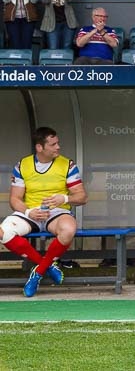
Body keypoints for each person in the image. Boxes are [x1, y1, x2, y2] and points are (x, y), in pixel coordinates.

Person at [0, 126, 88, 297]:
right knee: (3, 232)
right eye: (53, 144)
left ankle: (37, 273)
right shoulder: (23, 165)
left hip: (56, 213)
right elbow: (15, 199)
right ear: (40, 147)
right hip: (31, 213)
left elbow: (82, 196)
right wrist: (28, 212)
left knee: (69, 229)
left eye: (58, 143)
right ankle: (46, 265)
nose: (58, 147)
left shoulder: (67, 164)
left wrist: (64, 199)